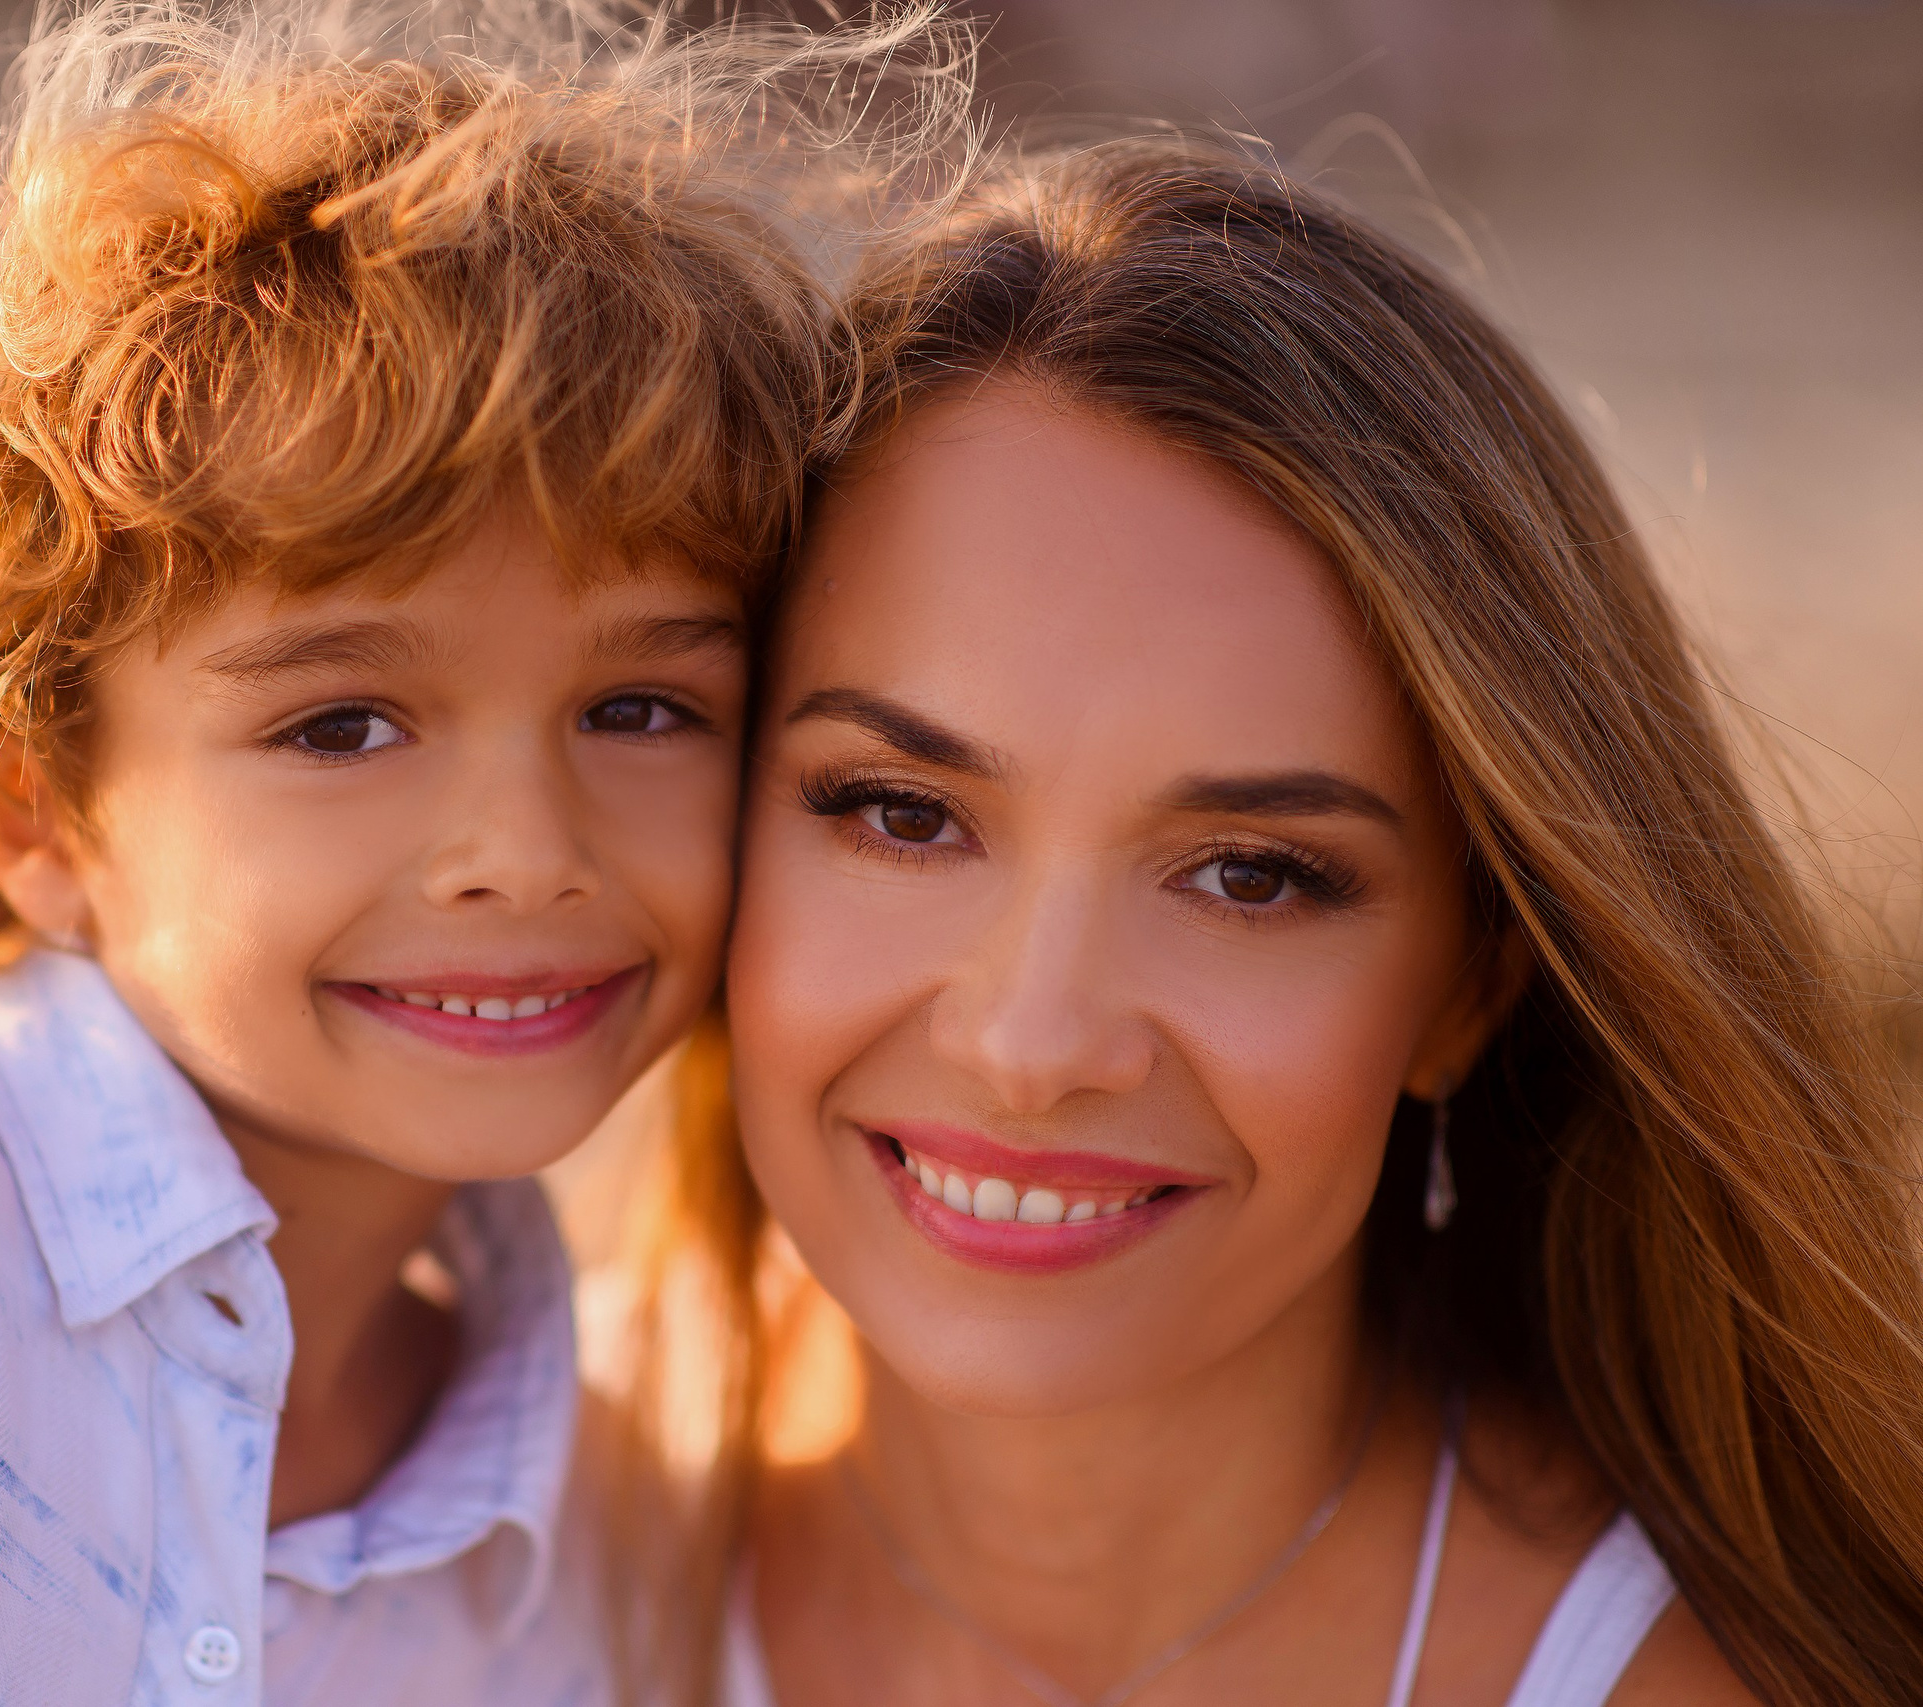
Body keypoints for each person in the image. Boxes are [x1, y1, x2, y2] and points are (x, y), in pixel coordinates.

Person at [0, 2, 963, 1699]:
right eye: (342, 726)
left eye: (639, 709)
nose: (524, 853)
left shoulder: (599, 1552)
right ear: (32, 810)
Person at [618, 139, 1923, 1707]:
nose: (1032, 1044)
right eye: (902, 813)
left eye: (1250, 875)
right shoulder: (471, 1543)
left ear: (1473, 984)